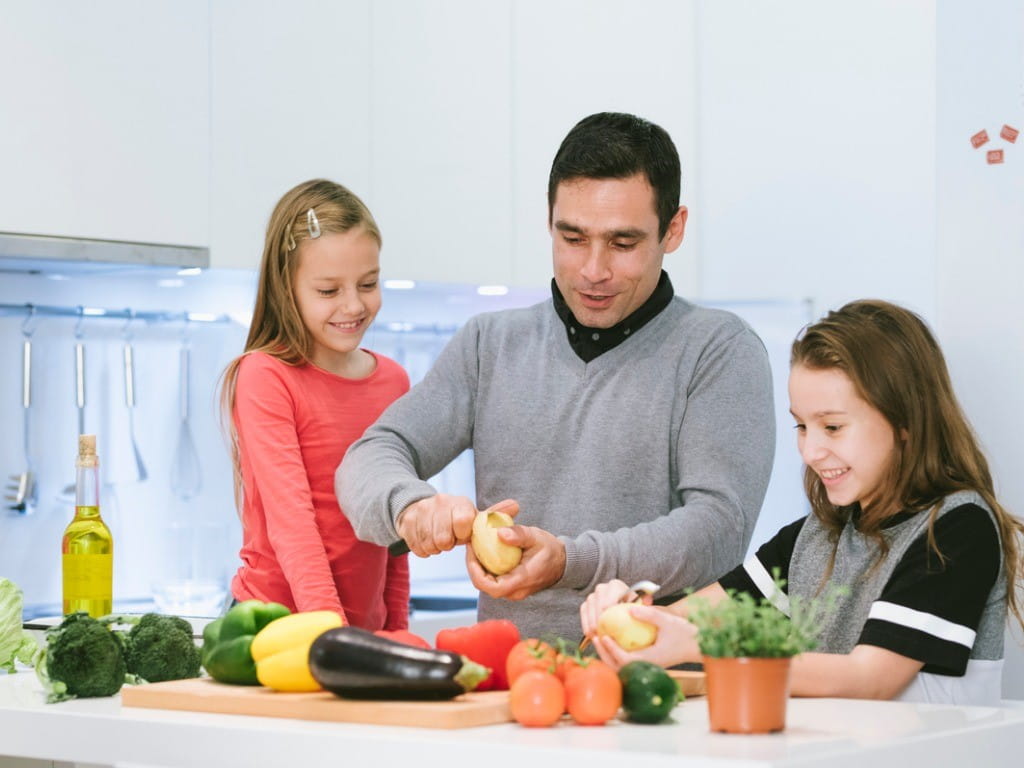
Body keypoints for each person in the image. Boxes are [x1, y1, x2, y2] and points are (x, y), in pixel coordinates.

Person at [337, 112, 776, 641]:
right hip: (509, 688)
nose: (593, 270)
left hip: (660, 693)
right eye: (572, 237)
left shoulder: (719, 351)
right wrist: (410, 507)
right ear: (549, 221)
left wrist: (570, 559)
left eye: (622, 243)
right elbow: (371, 454)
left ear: (673, 229)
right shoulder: (488, 345)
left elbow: (717, 531)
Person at [581, 299, 1024, 705]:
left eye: (832, 428)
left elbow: (869, 679)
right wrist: (629, 610)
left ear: (905, 421)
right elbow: (687, 616)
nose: (811, 452)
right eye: (802, 427)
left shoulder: (957, 528)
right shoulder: (815, 536)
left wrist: (697, 646)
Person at [220, 178, 411, 630]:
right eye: (328, 291)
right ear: (286, 289)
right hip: (272, 629)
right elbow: (294, 528)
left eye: (368, 283)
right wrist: (333, 636)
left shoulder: (393, 381)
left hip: (357, 636)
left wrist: (398, 633)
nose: (353, 305)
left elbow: (395, 529)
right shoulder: (265, 376)